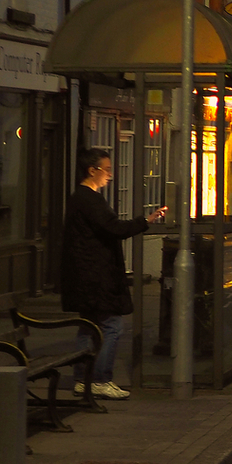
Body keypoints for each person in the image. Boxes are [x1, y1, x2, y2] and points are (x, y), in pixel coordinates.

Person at [61, 148, 166, 400]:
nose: (110, 175)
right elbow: (113, 228)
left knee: (88, 327)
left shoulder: (82, 199)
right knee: (112, 325)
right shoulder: (89, 200)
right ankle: (99, 379)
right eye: (107, 170)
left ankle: (81, 379)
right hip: (95, 276)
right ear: (92, 171)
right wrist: (146, 221)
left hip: (85, 276)